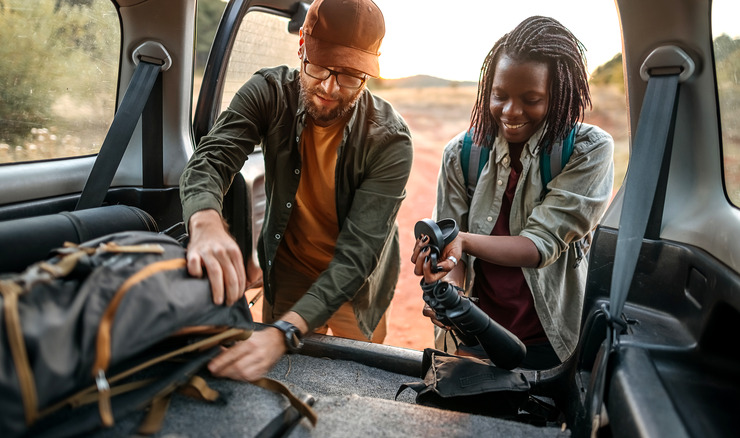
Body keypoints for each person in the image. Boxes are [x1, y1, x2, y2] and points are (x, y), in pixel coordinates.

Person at [180, 0, 413, 381]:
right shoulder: (268, 92)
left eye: (350, 75)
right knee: (280, 376)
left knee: (360, 380)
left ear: (370, 71)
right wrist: (205, 223)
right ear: (302, 44)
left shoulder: (391, 140)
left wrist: (284, 332)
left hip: (356, 285)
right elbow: (212, 158)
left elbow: (358, 255)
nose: (329, 88)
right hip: (288, 269)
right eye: (319, 66)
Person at [411, 16, 614, 370]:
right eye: (499, 96)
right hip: (475, 340)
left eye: (531, 99)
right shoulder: (461, 154)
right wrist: (448, 286)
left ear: (558, 96)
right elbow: (451, 251)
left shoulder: (588, 150)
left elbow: (540, 244)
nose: (511, 111)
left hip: (552, 343)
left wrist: (464, 241)